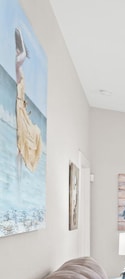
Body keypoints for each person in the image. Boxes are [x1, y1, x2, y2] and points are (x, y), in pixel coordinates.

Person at [15, 27, 43, 173]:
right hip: (20, 101)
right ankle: (23, 53)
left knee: (18, 69)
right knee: (18, 67)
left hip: (21, 101)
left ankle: (22, 53)